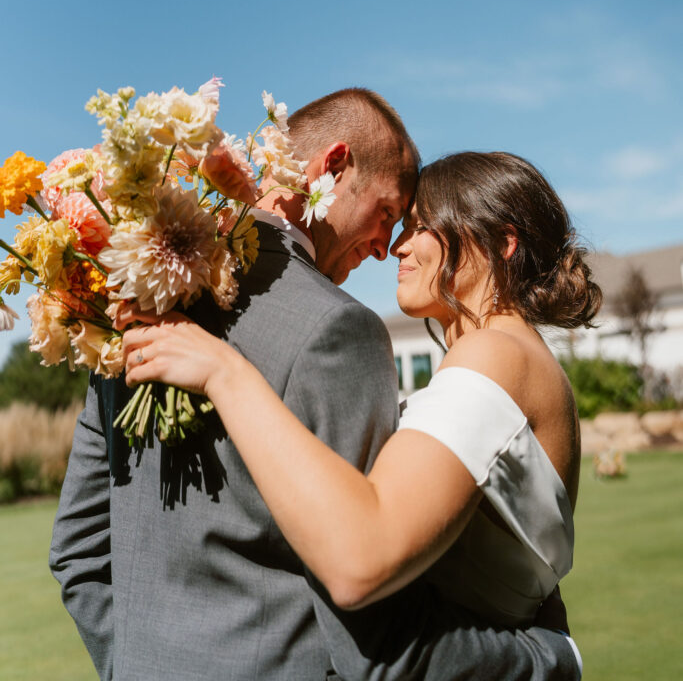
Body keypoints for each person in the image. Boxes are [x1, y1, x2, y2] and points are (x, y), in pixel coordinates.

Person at [51, 94, 582, 681]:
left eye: (415, 226)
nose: (390, 247)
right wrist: (547, 661)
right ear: (333, 168)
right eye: (390, 215)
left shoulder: (132, 302)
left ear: (502, 242)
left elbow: (78, 551)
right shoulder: (337, 328)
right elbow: (372, 624)